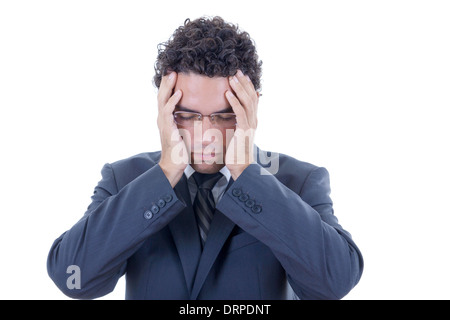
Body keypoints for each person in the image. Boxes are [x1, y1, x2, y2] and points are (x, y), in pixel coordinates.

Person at [47, 16, 363, 300]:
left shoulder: (297, 181)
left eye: (225, 117)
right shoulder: (124, 178)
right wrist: (167, 169)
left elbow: (334, 283)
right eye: (187, 115)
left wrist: (245, 170)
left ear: (251, 108)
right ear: (164, 108)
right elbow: (73, 279)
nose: (206, 134)